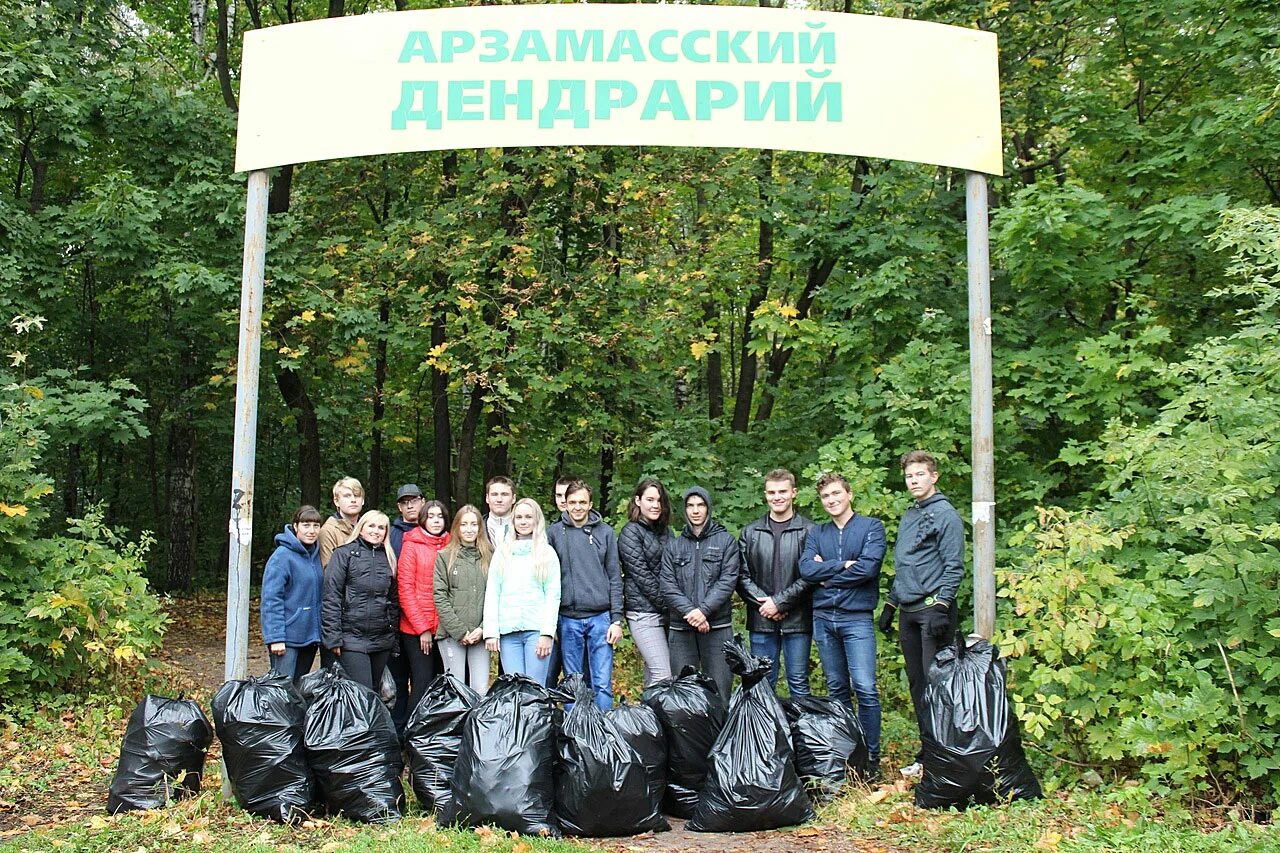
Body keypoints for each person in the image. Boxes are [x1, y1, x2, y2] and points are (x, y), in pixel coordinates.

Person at [880, 450, 965, 778]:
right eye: (909, 476)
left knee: (937, 686)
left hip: (933, 611)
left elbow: (954, 564)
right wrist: (891, 602)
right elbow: (906, 564)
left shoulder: (946, 515)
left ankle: (945, 755)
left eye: (919, 475)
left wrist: (944, 604)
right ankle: (928, 753)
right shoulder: (910, 514)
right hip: (909, 610)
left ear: (934, 476)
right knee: (917, 685)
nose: (913, 481)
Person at [799, 472, 887, 776]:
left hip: (857, 618)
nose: (832, 500)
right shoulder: (817, 533)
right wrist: (840, 566)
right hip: (824, 619)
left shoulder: (870, 527)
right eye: (826, 496)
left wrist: (827, 574)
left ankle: (871, 759)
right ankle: (847, 756)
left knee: (865, 687)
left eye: (836, 493)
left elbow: (868, 568)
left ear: (848, 494)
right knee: (836, 689)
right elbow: (806, 569)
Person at [738, 468, 815, 696]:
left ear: (794, 492)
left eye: (782, 491)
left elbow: (811, 576)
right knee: (762, 683)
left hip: (798, 619)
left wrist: (781, 603)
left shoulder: (810, 531)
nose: (777, 497)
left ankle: (801, 731)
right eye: (772, 492)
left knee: (798, 682)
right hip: (761, 619)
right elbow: (741, 576)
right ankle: (766, 732)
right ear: (765, 495)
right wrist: (767, 606)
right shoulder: (750, 532)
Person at [548, 480, 623, 710]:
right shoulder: (553, 533)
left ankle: (603, 733)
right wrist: (550, 622)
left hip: (601, 617)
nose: (577, 507)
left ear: (590, 504)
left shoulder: (606, 533)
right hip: (568, 618)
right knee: (573, 683)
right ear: (565, 504)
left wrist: (617, 619)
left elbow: (615, 577)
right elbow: (546, 580)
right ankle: (575, 734)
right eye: (573, 502)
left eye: (582, 502)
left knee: (601, 683)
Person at [660, 487, 740, 700]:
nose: (695, 511)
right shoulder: (673, 546)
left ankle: (720, 733)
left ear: (708, 508)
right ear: (685, 510)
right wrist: (691, 613)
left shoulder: (726, 542)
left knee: (720, 692)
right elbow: (667, 584)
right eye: (690, 506)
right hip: (681, 627)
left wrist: (704, 611)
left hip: (717, 627)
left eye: (700, 505)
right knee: (683, 694)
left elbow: (727, 581)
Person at [483, 498, 561, 685]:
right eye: (519, 517)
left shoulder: (547, 553)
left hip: (536, 631)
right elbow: (493, 592)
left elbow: (553, 595)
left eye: (528, 517)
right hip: (508, 633)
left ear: (537, 520)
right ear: (513, 520)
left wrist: (547, 633)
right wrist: (491, 631)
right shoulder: (502, 553)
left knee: (535, 689)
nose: (523, 521)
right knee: (514, 689)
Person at [322, 510, 400, 694]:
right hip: (352, 638)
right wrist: (333, 638)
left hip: (381, 639)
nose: (376, 531)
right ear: (361, 528)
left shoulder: (388, 558)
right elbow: (331, 597)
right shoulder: (343, 554)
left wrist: (393, 639)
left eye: (381, 527)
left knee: (374, 693)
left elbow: (393, 601)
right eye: (371, 526)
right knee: (361, 692)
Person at [618, 477, 673, 687]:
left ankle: (649, 719)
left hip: (666, 613)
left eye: (659, 500)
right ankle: (652, 719)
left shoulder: (667, 533)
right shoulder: (630, 532)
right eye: (650, 499)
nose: (655, 505)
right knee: (663, 674)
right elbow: (642, 577)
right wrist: (671, 605)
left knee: (655, 674)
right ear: (638, 501)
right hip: (643, 613)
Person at [260, 505, 324, 682]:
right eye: (306, 525)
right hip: (287, 638)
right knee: (281, 691)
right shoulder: (282, 556)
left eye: (316, 526)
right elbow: (271, 599)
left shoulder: (317, 555)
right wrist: (275, 637)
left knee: (298, 691)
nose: (311, 531)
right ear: (295, 526)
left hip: (309, 637)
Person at [398, 500, 450, 714]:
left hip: (445, 628)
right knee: (422, 681)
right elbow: (406, 589)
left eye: (440, 516)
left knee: (443, 682)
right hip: (417, 629)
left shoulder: (451, 543)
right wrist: (423, 629)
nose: (436, 521)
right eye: (431, 516)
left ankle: (436, 738)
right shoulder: (412, 545)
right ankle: (413, 735)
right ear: (423, 519)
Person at [434, 504, 493, 695]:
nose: (469, 529)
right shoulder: (444, 556)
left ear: (480, 528)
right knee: (455, 691)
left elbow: (495, 596)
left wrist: (483, 629)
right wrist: (459, 631)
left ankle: (476, 725)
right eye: (464, 524)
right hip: (452, 635)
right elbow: (440, 595)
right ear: (456, 527)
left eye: (474, 524)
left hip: (480, 635)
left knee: (480, 690)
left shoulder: (490, 556)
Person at [319, 476, 365, 568]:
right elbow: (328, 570)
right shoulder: (329, 531)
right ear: (336, 501)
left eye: (357, 495)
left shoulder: (370, 529)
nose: (353, 500)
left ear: (363, 500)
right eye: (347, 496)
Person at [389, 483, 424, 555]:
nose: (409, 506)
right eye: (404, 503)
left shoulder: (432, 531)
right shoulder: (390, 535)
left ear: (423, 502)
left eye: (414, 501)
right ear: (399, 507)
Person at [484, 475, 516, 545]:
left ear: (513, 498)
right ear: (487, 498)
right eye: (494, 494)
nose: (499, 500)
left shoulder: (525, 528)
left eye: (504, 494)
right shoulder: (476, 528)